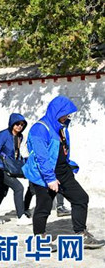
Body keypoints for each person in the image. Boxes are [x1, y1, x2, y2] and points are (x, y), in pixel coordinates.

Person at [23, 95, 104, 248]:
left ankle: (81, 234)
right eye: (65, 114)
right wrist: (50, 178)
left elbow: (63, 150)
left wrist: (69, 164)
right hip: (44, 174)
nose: (67, 117)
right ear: (56, 112)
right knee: (44, 206)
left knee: (81, 198)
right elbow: (42, 157)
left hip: (63, 171)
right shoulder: (40, 128)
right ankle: (40, 239)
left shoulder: (62, 127)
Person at [0, 113, 31, 225]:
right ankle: (21, 217)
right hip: (0, 167)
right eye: (17, 124)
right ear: (12, 123)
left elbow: (17, 153)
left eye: (22, 124)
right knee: (19, 188)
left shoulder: (20, 136)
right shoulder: (3, 135)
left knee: (2, 191)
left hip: (10, 167)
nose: (19, 126)